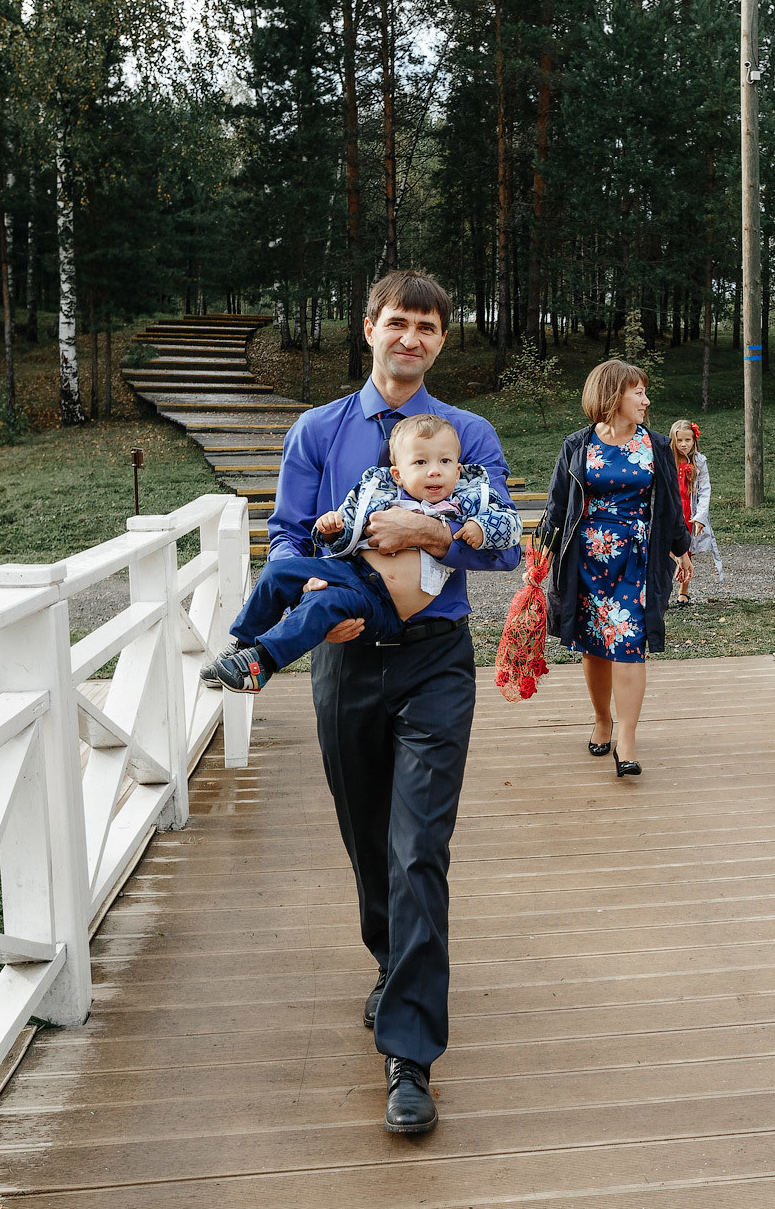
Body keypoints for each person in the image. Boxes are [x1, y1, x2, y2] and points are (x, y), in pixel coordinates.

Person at [229, 269, 521, 1138]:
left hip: (436, 663)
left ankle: (409, 1054)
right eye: (400, 321)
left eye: (429, 327)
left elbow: (501, 540)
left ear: (440, 341)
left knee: (418, 848)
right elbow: (286, 534)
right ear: (369, 328)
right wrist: (330, 597)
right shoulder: (319, 431)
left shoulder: (467, 434)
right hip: (348, 661)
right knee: (369, 843)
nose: (413, 337)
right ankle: (393, 961)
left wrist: (423, 529)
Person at [201, 414, 520, 691]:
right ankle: (242, 644)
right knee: (277, 573)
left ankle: (261, 664)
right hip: (353, 572)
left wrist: (482, 527)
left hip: (381, 604)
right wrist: (333, 530)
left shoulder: (465, 502)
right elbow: (344, 536)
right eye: (421, 462)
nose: (434, 471)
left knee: (325, 606)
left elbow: (510, 525)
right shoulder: (378, 493)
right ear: (398, 473)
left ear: (458, 469)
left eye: (445, 462)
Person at [539, 360, 689, 778]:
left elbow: (672, 505)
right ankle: (602, 719)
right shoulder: (577, 445)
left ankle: (627, 740)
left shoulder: (656, 445)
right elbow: (556, 507)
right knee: (594, 645)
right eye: (637, 392)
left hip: (638, 560)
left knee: (628, 644)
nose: (646, 400)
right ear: (612, 396)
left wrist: (681, 550)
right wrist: (541, 559)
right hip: (587, 558)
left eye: (644, 391)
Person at [668, 419, 721, 604]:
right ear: (673, 440)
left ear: (694, 440)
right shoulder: (666, 458)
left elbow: (705, 490)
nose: (684, 444)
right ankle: (665, 583)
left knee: (686, 548)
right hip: (671, 508)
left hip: (688, 510)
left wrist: (700, 518)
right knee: (665, 546)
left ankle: (684, 590)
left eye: (688, 440)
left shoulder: (699, 461)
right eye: (680, 440)